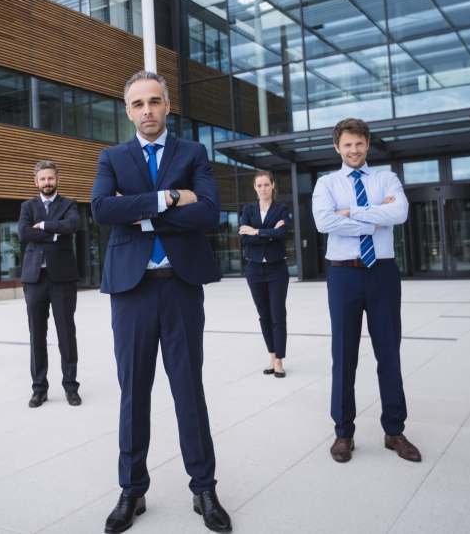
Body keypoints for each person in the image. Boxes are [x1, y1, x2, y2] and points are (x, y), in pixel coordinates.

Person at [92, 71, 232, 533]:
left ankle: (204, 488)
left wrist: (140, 211)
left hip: (180, 286)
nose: (147, 110)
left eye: (154, 101)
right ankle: (132, 490)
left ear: (167, 105)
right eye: (138, 104)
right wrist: (169, 199)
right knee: (134, 392)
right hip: (131, 291)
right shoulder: (112, 157)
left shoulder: (193, 152)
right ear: (127, 110)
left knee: (188, 388)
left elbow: (209, 212)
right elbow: (102, 210)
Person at [311, 118, 421, 465]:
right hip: (343, 276)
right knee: (343, 355)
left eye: (359, 144)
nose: (354, 150)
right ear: (337, 147)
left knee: (389, 352)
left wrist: (353, 212)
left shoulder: (386, 178)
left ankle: (395, 430)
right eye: (347, 145)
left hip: (383, 273)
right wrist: (376, 216)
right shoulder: (326, 183)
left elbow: (400, 212)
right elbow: (324, 222)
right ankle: (343, 433)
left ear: (367, 144)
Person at [18, 160, 81, 407]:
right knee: (37, 335)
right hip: (34, 279)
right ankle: (39, 388)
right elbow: (23, 233)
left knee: (66, 333)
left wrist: (44, 226)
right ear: (36, 182)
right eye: (43, 179)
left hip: (62, 279)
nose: (47, 183)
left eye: (50, 178)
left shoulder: (69, 204)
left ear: (57, 179)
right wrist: (56, 233)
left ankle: (71, 386)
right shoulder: (27, 206)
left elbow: (72, 225)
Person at [239, 170, 292, 378]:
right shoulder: (248, 209)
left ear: (273, 186)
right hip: (254, 269)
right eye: (259, 185)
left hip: (277, 269)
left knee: (278, 314)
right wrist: (267, 233)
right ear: (255, 188)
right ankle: (271, 355)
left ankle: (279, 359)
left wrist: (257, 231)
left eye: (266, 185)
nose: (263, 189)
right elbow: (244, 238)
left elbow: (282, 234)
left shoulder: (281, 209)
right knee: (264, 315)